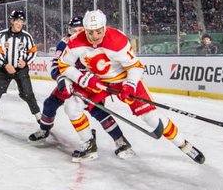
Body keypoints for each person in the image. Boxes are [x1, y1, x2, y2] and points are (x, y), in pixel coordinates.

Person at [57, 10, 203, 163]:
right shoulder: (75, 42)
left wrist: (130, 84)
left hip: (123, 79)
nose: (94, 36)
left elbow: (135, 66)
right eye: (90, 32)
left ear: (104, 28)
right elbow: (64, 65)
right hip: (97, 81)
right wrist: (82, 79)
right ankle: (88, 144)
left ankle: (184, 145)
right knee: (72, 107)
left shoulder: (117, 40)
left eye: (98, 32)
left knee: (151, 117)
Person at [28, 17, 133, 158]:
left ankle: (120, 141)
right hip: (70, 81)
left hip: (89, 84)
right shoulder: (65, 44)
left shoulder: (95, 42)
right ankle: (44, 129)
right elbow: (55, 66)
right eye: (74, 30)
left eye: (80, 30)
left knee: (98, 110)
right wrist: (61, 79)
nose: (77, 33)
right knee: (50, 104)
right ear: (69, 31)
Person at [0, 10, 41, 127]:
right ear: (12, 21)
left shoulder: (27, 37)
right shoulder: (2, 35)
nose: (20, 24)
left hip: (21, 71)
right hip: (4, 70)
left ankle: (39, 116)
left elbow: (33, 52)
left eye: (22, 21)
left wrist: (25, 62)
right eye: (17, 21)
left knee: (28, 94)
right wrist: (5, 64)